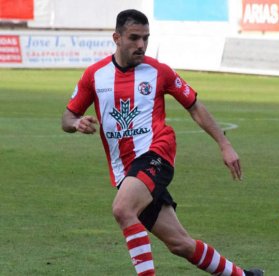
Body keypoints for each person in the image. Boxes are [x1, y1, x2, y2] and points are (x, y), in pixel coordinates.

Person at [61, 9, 264, 276]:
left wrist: (224, 144)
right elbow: (67, 116)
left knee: (123, 209)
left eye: (145, 38)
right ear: (117, 37)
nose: (141, 45)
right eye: (134, 38)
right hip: (127, 170)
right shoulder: (95, 75)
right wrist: (76, 124)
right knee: (180, 244)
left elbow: (194, 106)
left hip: (157, 153)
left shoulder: (159, 72)